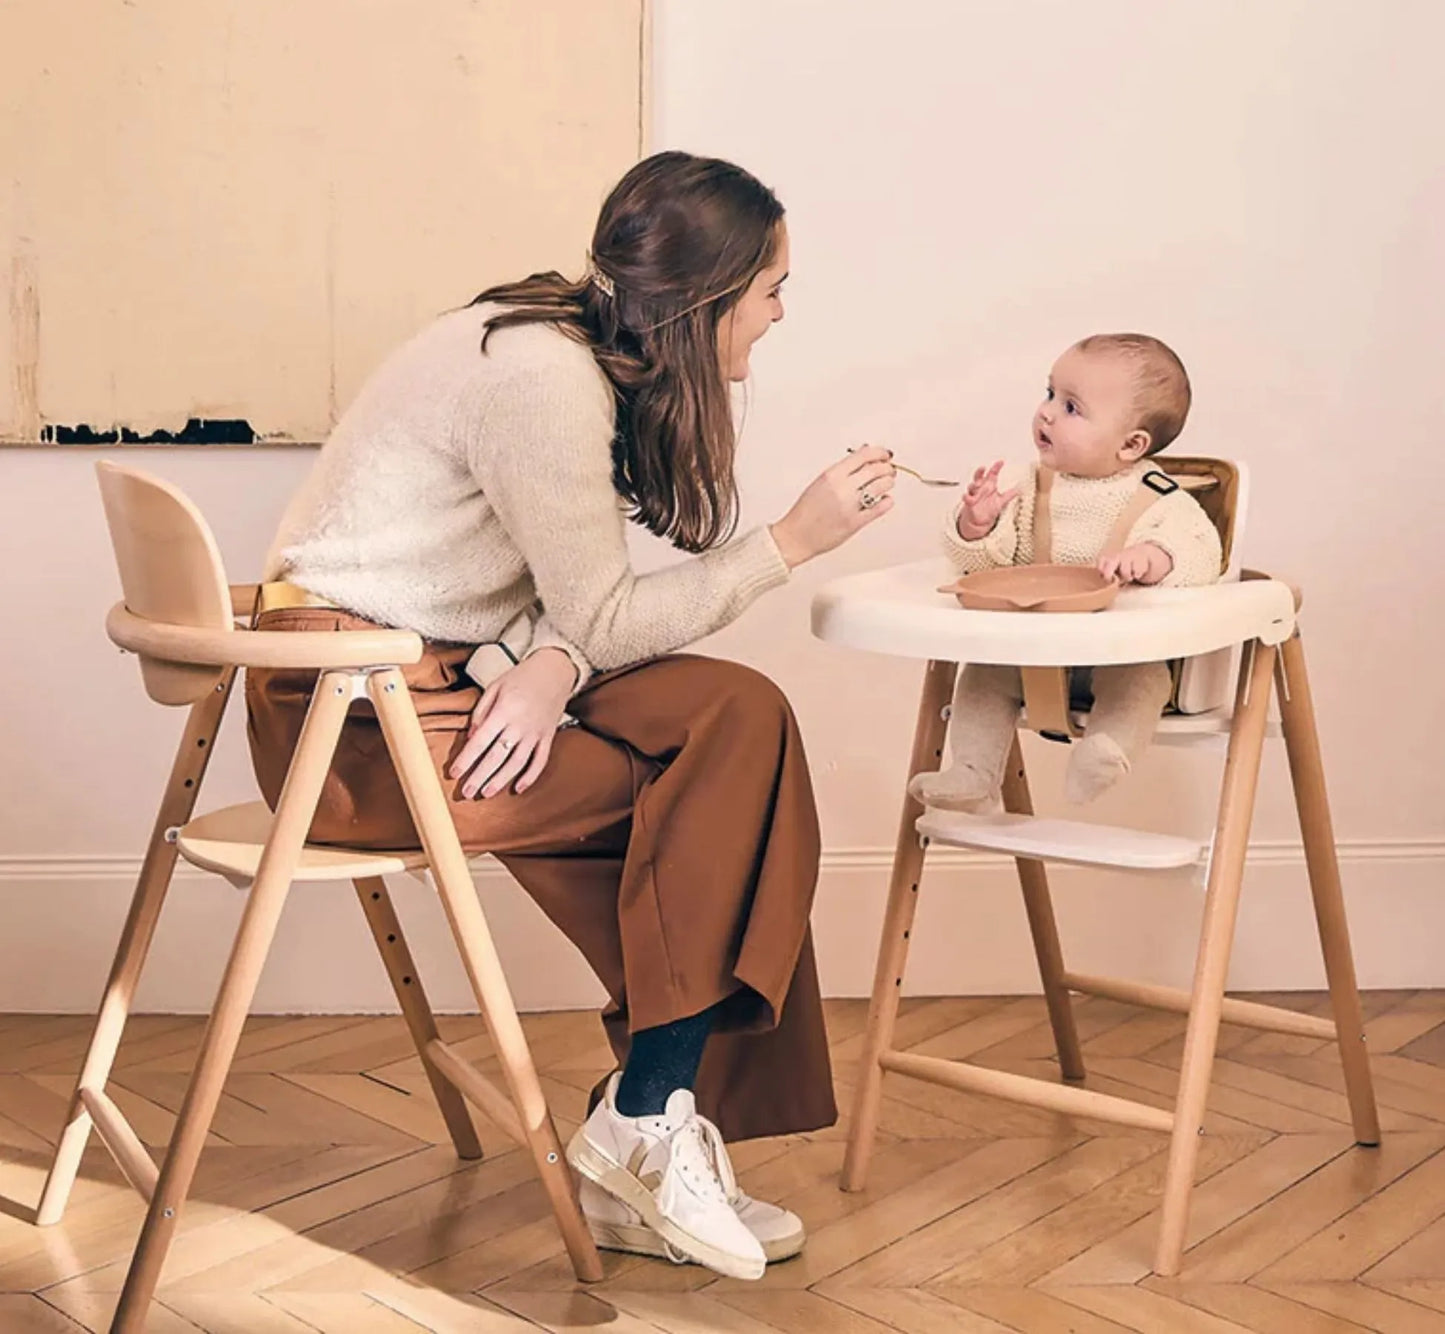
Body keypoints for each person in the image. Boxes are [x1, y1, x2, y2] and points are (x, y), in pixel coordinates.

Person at [246, 151, 897, 1280]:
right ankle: (645, 1114)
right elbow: (597, 605)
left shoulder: (554, 334)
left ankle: (647, 1114)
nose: (783, 314)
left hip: (444, 670)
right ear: (705, 301)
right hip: (351, 725)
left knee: (737, 713)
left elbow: (569, 599)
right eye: (773, 289)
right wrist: (789, 541)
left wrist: (549, 657)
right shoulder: (543, 379)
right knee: (704, 788)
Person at [910, 333, 1221, 809]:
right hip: (1028, 654)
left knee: (1144, 681)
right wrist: (978, 524)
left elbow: (1201, 553)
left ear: (1131, 444)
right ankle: (973, 771)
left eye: (1071, 407)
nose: (1047, 412)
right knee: (982, 673)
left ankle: (1105, 751)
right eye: (1049, 393)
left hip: (1117, 654)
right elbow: (983, 567)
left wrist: (1154, 556)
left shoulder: (1158, 497)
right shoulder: (1024, 485)